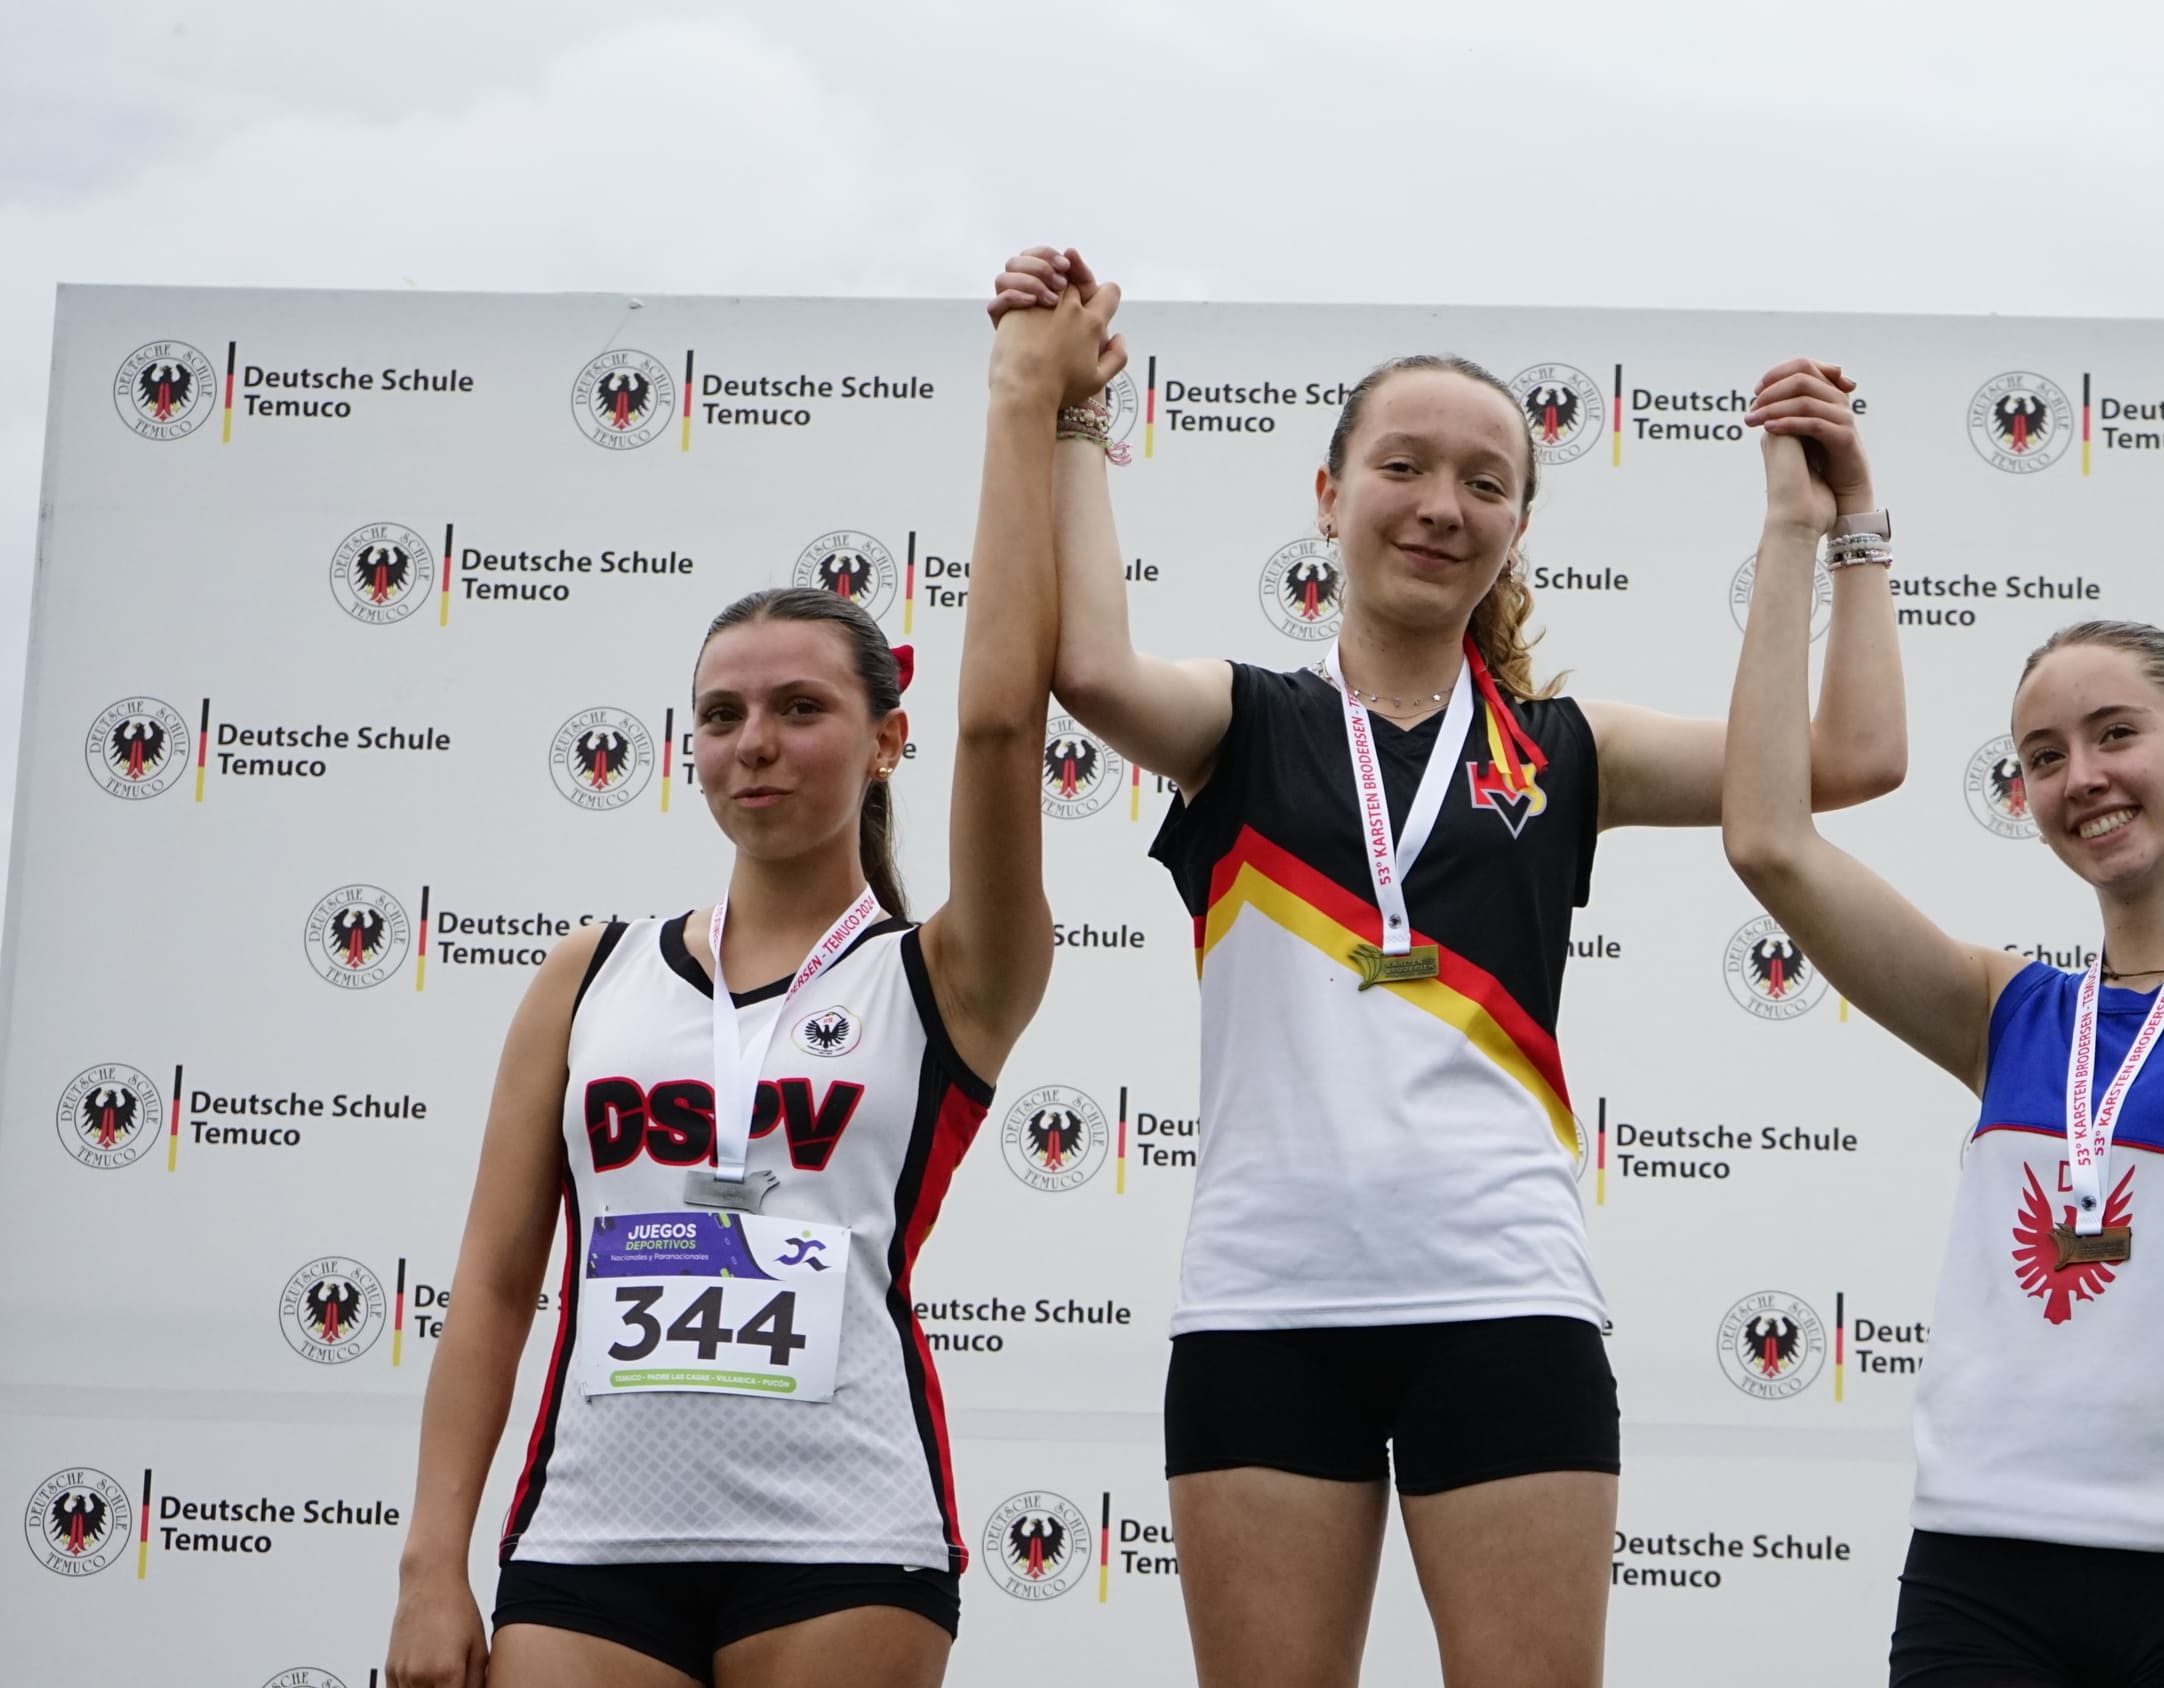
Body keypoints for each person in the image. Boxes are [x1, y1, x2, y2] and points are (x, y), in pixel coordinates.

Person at [986, 245, 1906, 1688]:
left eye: (1485, 483)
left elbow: (1844, 758)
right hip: (1266, 1308)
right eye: (1403, 467)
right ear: (1328, 495)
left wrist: (1819, 524)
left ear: (1519, 526)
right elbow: (1089, 671)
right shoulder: (1245, 722)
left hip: (1506, 1299)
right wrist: (1075, 420)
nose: (1441, 505)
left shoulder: (1567, 749)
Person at [381, 279, 1123, 1688]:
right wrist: (432, 1565)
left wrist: (1024, 404)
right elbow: (492, 1281)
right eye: (721, 715)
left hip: (846, 1541)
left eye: (801, 708)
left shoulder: (948, 974)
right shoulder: (589, 976)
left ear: (886, 739)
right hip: (590, 1543)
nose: (755, 743)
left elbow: (1001, 723)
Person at [1720, 430, 2164, 1688]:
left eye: (2114, 734)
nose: (2081, 777)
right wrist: (1818, 529)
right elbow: (1771, 838)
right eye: (2044, 757)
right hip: (1984, 1577)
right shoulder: (2004, 1009)